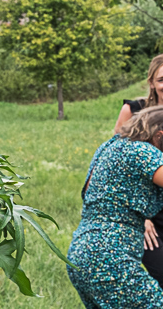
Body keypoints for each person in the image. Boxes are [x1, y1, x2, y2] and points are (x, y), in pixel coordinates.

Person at [68, 105, 163, 308]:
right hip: (110, 258)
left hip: (81, 252)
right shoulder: (142, 151)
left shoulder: (109, 146)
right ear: (159, 135)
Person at [111, 54, 163, 288]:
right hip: (148, 211)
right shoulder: (135, 111)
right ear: (151, 82)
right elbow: (115, 164)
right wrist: (139, 216)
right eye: (162, 79)